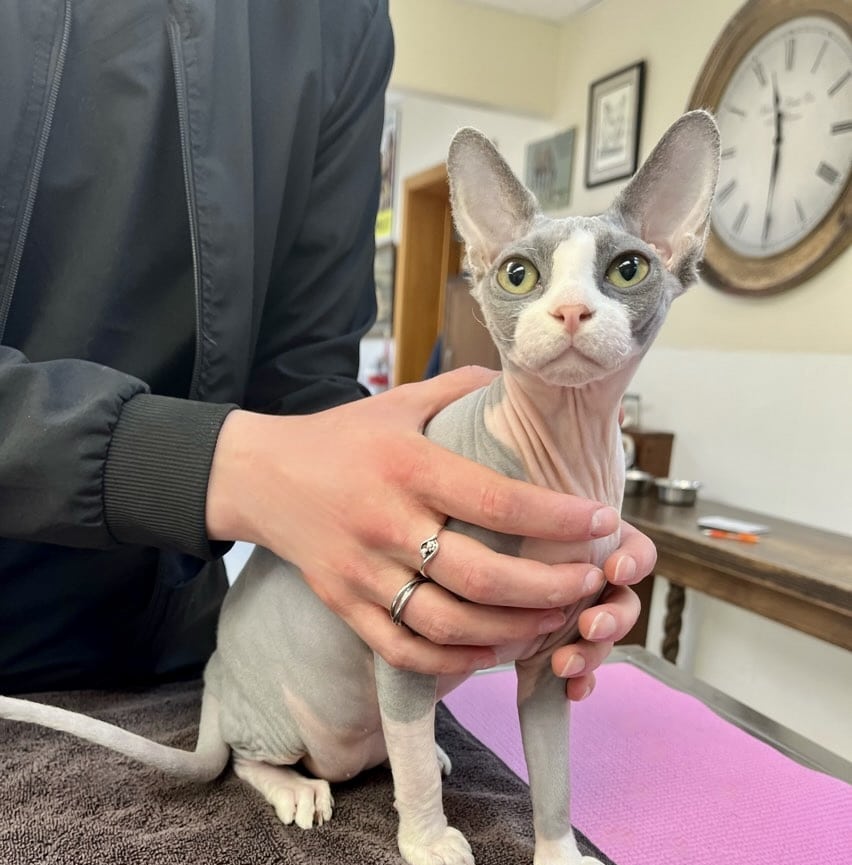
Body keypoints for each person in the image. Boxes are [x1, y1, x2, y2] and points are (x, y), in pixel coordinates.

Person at [0, 0, 655, 700]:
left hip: (170, 657)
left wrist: (418, 521)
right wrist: (215, 466)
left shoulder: (340, 21)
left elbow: (308, 378)